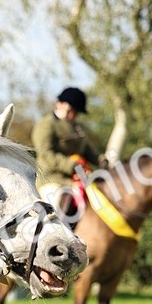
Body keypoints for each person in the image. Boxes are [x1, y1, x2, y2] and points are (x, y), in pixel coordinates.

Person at [31, 87, 101, 219]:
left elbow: (87, 150)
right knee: (55, 207)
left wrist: (101, 160)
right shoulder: (46, 125)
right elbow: (46, 155)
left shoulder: (78, 127)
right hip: (52, 179)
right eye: (72, 110)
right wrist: (72, 165)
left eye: (75, 112)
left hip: (79, 177)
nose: (74, 115)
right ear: (60, 104)